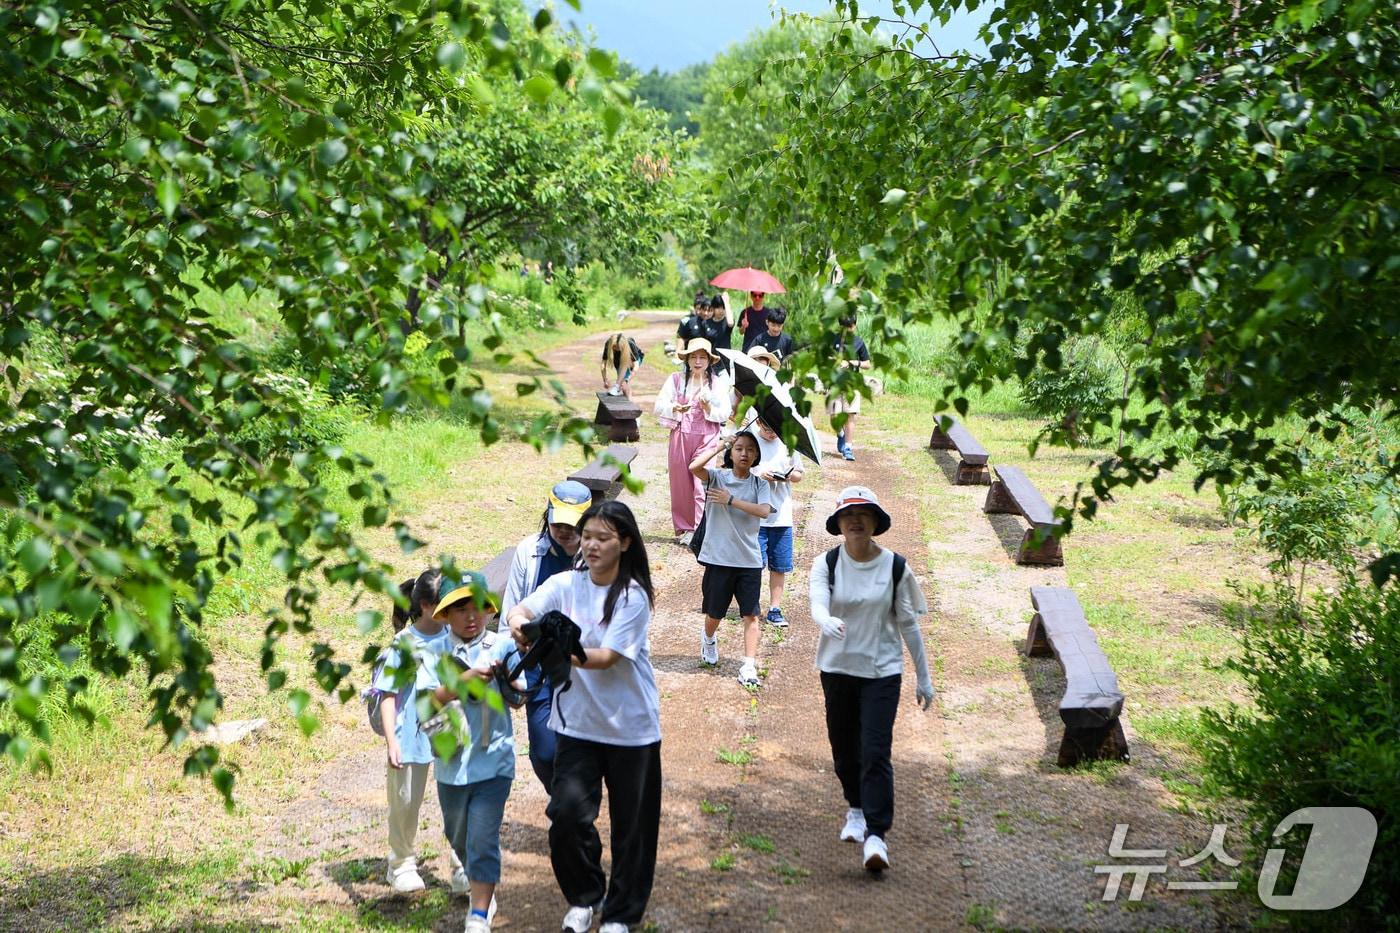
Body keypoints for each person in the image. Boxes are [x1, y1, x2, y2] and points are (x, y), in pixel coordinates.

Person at [506, 501, 661, 933]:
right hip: (576, 725)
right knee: (567, 817)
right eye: (587, 535)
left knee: (633, 829)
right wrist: (522, 627)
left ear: (625, 543)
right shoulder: (564, 584)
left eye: (603, 538)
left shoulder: (633, 596)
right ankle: (585, 896)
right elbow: (521, 610)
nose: (591, 545)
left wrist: (560, 652)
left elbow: (607, 657)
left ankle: (621, 915)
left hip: (631, 729)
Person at [808, 486, 934, 874]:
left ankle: (877, 835)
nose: (856, 520)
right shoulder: (826, 563)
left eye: (864, 514)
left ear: (876, 522)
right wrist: (824, 620)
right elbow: (817, 601)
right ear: (839, 524)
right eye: (849, 515)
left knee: (875, 749)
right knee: (844, 749)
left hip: (882, 671)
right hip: (837, 669)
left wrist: (924, 678)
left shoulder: (896, 567)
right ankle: (856, 810)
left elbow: (909, 624)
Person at [427, 571, 523, 933]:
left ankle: (479, 912)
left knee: (483, 836)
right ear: (445, 614)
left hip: (494, 760)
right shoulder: (433, 652)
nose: (471, 616)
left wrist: (509, 680)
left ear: (488, 611)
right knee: (459, 834)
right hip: (450, 764)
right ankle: (478, 880)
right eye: (460, 609)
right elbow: (423, 707)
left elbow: (519, 697)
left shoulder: (501, 645)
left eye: (478, 608)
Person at [500, 480, 592, 793]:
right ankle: (565, 798)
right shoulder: (529, 551)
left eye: (572, 523)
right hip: (538, 665)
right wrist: (506, 663)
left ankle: (573, 808)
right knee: (543, 752)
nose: (564, 530)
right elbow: (511, 610)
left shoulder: (594, 556)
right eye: (558, 522)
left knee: (579, 748)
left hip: (582, 667)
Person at [372, 568, 450, 894]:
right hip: (410, 734)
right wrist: (391, 742)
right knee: (405, 800)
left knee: (458, 799)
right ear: (424, 606)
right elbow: (387, 695)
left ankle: (462, 865)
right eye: (443, 603)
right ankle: (400, 863)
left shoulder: (456, 637)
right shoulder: (403, 644)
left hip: (449, 729)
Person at [689, 431, 774, 687]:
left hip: (748, 560)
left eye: (750, 449)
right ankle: (709, 638)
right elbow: (694, 467)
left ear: (757, 454)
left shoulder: (760, 485)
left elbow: (764, 511)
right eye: (738, 448)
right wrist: (720, 445)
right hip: (719, 559)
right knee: (715, 613)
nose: (744, 454)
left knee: (751, 615)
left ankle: (748, 665)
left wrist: (732, 500)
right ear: (731, 452)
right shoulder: (717, 477)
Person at [654, 338, 732, 544]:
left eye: (702, 357)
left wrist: (709, 410)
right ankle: (685, 528)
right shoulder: (676, 380)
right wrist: (674, 408)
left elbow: (725, 412)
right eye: (694, 357)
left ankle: (700, 529)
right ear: (687, 359)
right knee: (680, 484)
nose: (698, 361)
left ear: (709, 360)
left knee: (701, 483)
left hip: (707, 437)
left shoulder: (716, 384)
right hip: (680, 435)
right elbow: (658, 405)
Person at [753, 418, 803, 628]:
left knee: (780, 565)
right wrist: (760, 475)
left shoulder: (788, 443)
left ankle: (775, 608)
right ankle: (751, 605)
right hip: (756, 515)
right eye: (767, 428)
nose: (771, 433)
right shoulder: (750, 442)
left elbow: (799, 473)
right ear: (758, 423)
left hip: (782, 515)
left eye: (775, 429)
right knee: (754, 565)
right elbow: (736, 470)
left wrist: (789, 477)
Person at [827, 316, 871, 461]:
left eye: (850, 327)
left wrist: (853, 362)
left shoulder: (859, 342)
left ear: (854, 326)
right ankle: (840, 434)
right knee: (834, 415)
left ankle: (848, 447)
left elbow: (867, 364)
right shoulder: (833, 340)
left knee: (850, 415)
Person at [600, 333, 645, 399]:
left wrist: (627, 379)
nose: (616, 349)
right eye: (614, 347)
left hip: (633, 360)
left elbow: (636, 366)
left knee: (624, 383)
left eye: (618, 347)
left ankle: (629, 403)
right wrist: (605, 379)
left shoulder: (630, 345)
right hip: (619, 362)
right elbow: (603, 364)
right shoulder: (608, 344)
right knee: (622, 385)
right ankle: (620, 391)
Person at [700, 294, 734, 373]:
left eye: (723, 308)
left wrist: (726, 302)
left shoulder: (726, 322)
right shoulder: (706, 323)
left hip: (724, 365)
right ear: (713, 308)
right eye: (718, 308)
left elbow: (731, 323)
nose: (721, 310)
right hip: (710, 363)